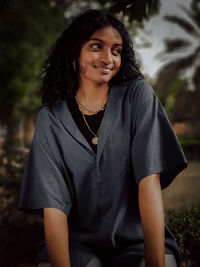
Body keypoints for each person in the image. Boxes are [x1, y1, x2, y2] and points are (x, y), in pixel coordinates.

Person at [18, 9, 188, 267]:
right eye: (96, 46)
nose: (108, 58)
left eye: (116, 50)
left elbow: (149, 180)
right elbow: (53, 206)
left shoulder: (137, 96)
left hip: (138, 240)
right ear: (75, 52)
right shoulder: (51, 119)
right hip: (78, 245)